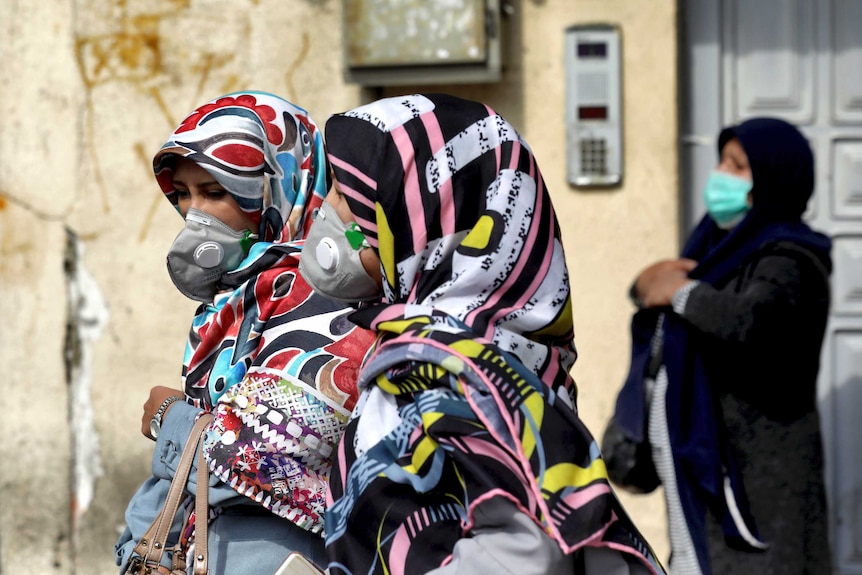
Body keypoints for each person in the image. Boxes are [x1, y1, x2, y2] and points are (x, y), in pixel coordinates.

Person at [298, 93, 666, 574]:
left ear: (422, 217)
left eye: (347, 196)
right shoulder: (455, 349)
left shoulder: (449, 367)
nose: (328, 212)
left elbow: (525, 552)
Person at [115, 91, 376, 574]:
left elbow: (258, 457)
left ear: (281, 186)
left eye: (216, 193)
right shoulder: (234, 303)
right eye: (183, 194)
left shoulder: (322, 297)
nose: (196, 213)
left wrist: (169, 419)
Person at [624, 117, 833, 574]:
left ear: (774, 180)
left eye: (737, 167)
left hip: (760, 485)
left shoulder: (792, 262)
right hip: (704, 477)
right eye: (722, 160)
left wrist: (678, 292)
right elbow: (664, 306)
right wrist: (645, 287)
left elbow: (750, 324)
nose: (720, 175)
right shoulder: (717, 251)